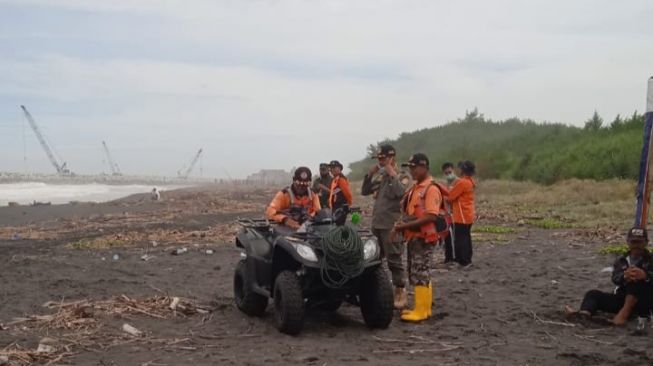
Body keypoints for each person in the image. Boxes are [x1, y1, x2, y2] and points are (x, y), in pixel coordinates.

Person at [392, 153, 443, 322]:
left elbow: (431, 216)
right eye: (410, 168)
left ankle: (421, 311)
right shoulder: (417, 187)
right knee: (418, 273)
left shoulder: (431, 188)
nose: (412, 171)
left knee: (420, 273)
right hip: (414, 237)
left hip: (423, 237)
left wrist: (403, 227)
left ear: (424, 167)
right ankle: (423, 308)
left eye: (414, 168)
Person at [565, 228, 653, 325]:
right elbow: (615, 279)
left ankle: (623, 315)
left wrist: (646, 276)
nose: (636, 245)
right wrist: (624, 276)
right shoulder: (621, 260)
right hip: (622, 298)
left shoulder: (651, 260)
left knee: (635, 279)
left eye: (639, 242)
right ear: (628, 242)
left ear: (646, 242)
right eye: (633, 242)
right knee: (593, 294)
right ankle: (583, 315)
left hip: (645, 301)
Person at [362, 144, 410, 309]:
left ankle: (400, 290)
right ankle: (374, 288)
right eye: (379, 159)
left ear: (392, 157)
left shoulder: (403, 175)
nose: (381, 161)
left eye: (383, 158)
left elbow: (401, 193)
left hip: (392, 225)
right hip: (377, 224)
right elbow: (365, 190)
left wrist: (392, 174)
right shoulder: (380, 176)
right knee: (372, 257)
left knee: (394, 259)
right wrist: (369, 174)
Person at [446, 160, 476, 267]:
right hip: (468, 214)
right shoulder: (470, 181)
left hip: (461, 215)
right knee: (466, 237)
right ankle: (467, 259)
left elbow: (450, 197)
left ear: (463, 170)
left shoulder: (462, 182)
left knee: (460, 239)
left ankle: (463, 261)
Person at [328, 160, 353, 225]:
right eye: (331, 168)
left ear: (339, 168)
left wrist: (349, 204)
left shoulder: (341, 179)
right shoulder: (335, 179)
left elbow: (347, 193)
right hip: (335, 207)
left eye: (334, 168)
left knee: (339, 225)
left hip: (340, 207)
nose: (332, 170)